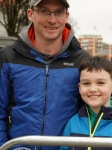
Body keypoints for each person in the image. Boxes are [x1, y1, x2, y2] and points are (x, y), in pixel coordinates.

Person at [0, 0, 90, 149]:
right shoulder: (8, 57)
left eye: (58, 12)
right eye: (44, 11)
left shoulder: (82, 60)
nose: (52, 20)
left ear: (66, 16)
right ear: (30, 14)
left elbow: (94, 112)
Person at [60, 56, 112, 150]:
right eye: (86, 83)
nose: (92, 89)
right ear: (79, 87)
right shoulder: (73, 123)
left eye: (100, 83)